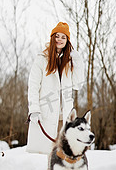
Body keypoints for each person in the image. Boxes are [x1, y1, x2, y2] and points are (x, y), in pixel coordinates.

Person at [26, 22, 84, 154]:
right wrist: (33, 109)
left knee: (62, 155)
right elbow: (33, 86)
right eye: (57, 36)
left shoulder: (70, 62)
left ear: (67, 40)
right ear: (52, 38)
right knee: (41, 153)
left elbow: (77, 85)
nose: (60, 40)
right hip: (45, 112)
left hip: (65, 115)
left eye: (63, 37)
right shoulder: (42, 59)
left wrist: (78, 63)